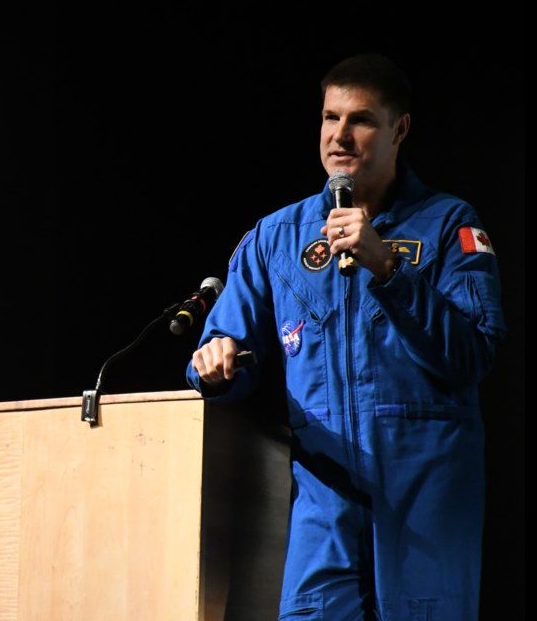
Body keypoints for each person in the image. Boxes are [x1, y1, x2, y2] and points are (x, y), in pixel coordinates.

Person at [185, 53, 505, 620]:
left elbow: (475, 354)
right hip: (324, 506)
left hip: (423, 506)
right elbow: (225, 355)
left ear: (399, 129)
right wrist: (216, 362)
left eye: (361, 120)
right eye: (330, 118)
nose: (340, 137)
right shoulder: (277, 237)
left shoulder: (449, 223)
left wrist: (389, 269)